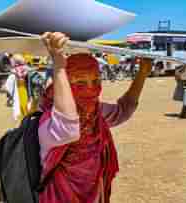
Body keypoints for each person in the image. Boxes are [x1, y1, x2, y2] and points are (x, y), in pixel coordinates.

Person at [37, 32, 152, 203]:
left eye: (96, 81)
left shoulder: (95, 113)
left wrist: (142, 73)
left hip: (93, 193)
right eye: (80, 83)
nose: (91, 90)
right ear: (65, 85)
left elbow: (123, 110)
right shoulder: (49, 121)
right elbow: (68, 129)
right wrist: (59, 66)